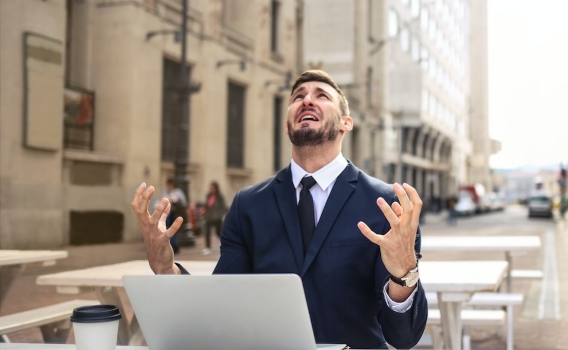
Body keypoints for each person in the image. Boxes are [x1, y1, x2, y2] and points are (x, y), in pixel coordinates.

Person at [130, 70, 428, 349]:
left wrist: (404, 271)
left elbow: (403, 337)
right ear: (287, 125)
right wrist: (165, 269)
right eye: (298, 96)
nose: (307, 99)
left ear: (345, 123)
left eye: (321, 95)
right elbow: (221, 304)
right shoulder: (248, 204)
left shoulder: (388, 205)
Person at [160, 178, 187, 253]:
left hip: (175, 213)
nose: (168, 186)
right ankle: (169, 245)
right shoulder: (165, 193)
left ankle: (175, 245)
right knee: (167, 228)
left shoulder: (178, 192)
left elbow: (183, 202)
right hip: (167, 214)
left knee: (174, 229)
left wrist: (176, 203)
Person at [201, 181, 228, 255]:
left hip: (217, 218)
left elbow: (223, 208)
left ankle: (225, 245)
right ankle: (207, 247)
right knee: (207, 232)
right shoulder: (208, 195)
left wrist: (219, 215)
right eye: (210, 187)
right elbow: (206, 205)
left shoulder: (220, 197)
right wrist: (204, 213)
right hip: (208, 217)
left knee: (218, 232)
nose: (211, 189)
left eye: (212, 187)